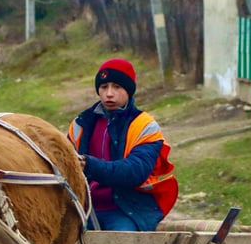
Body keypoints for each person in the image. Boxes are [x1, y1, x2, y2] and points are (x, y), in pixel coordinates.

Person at [68, 58, 178, 231]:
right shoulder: (80, 123)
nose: (109, 93)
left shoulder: (145, 126)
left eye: (117, 87)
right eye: (104, 87)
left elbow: (135, 171)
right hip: (85, 208)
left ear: (129, 90)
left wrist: (88, 165)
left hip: (126, 209)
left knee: (123, 243)